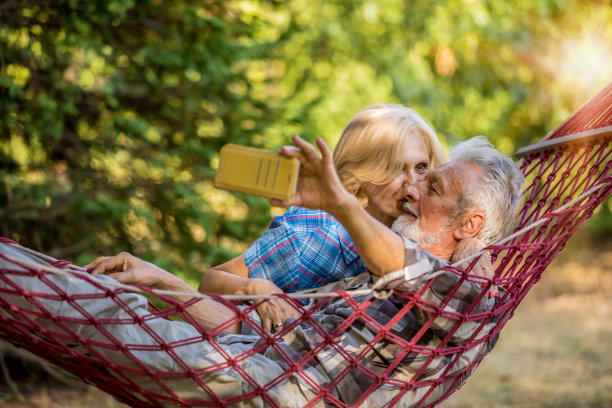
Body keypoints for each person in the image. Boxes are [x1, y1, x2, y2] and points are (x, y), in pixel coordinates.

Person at [0, 135, 524, 407]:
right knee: (100, 295)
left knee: (90, 308)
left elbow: (413, 269)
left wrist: (339, 202)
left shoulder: (472, 296)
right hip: (255, 368)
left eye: (433, 187)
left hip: (279, 393)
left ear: (469, 222)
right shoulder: (379, 287)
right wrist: (162, 279)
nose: (414, 195)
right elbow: (256, 329)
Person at [197, 105, 491, 332]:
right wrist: (255, 288)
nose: (412, 184)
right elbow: (210, 282)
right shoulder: (316, 233)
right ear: (362, 175)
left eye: (422, 167)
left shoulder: (420, 234)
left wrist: (471, 247)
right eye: (394, 169)